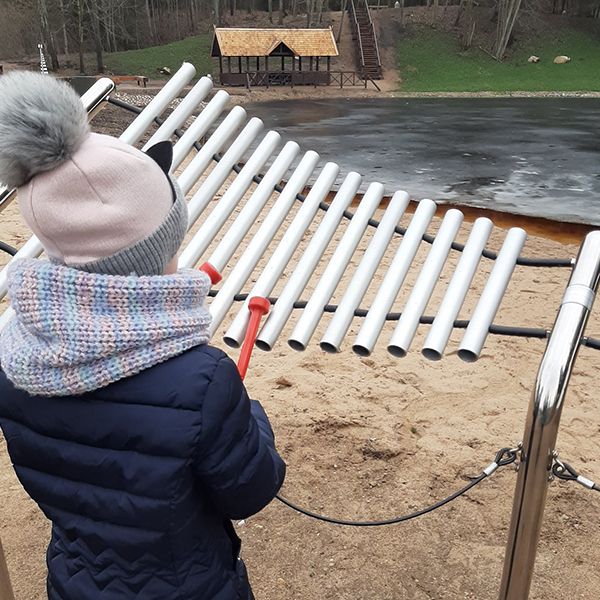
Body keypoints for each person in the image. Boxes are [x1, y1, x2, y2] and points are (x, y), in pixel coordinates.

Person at [0, 71, 286, 600]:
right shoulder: (202, 379)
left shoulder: (15, 356)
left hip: (75, 578)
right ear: (152, 256)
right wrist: (253, 418)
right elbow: (251, 489)